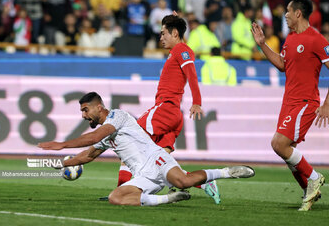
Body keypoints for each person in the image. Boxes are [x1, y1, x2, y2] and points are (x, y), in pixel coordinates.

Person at [38, 92, 256, 206]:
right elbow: (87, 155)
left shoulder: (117, 116)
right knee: (116, 197)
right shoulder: (106, 132)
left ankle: (227, 172)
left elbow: (96, 136)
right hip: (142, 174)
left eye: (86, 110)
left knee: (184, 181)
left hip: (156, 159)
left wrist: (62, 144)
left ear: (99, 107)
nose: (84, 115)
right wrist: (58, 162)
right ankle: (167, 199)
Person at [116, 13, 223, 204]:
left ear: (174, 33)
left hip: (165, 109)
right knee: (160, 161)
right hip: (173, 115)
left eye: (163, 33)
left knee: (128, 138)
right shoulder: (179, 50)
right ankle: (203, 182)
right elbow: (183, 46)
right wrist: (177, 20)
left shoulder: (182, 49)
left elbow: (192, 74)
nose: (160, 37)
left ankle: (121, 190)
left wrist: (197, 101)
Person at [251, 0, 329, 211]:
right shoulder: (290, 39)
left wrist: (327, 104)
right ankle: (308, 190)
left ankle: (313, 177)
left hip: (306, 102)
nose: (285, 15)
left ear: (298, 13)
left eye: (288, 11)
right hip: (288, 102)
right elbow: (282, 64)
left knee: (278, 144)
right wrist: (263, 45)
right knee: (286, 149)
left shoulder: (316, 39)